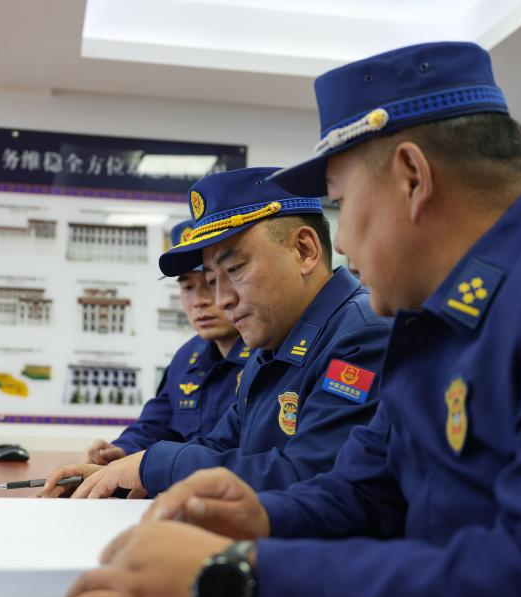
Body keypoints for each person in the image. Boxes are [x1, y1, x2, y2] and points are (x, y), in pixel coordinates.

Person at [50, 41, 521, 597]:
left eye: (342, 204)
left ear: (411, 178)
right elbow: (363, 492)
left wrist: (244, 581)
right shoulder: (435, 323)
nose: (340, 241)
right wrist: (263, 516)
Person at [41, 166, 391, 499]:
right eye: (212, 280)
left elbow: (311, 476)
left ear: (304, 250)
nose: (222, 299)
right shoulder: (270, 348)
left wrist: (155, 466)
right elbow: (220, 445)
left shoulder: (362, 336)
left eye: (236, 269)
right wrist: (115, 474)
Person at [77, 220, 249, 468]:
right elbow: (156, 425)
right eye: (188, 287)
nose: (199, 301)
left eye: (211, 283)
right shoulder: (188, 356)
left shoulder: (267, 354)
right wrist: (119, 453)